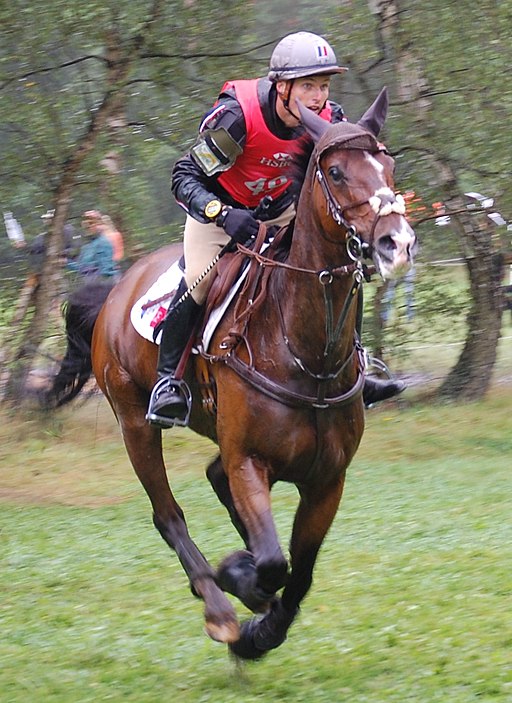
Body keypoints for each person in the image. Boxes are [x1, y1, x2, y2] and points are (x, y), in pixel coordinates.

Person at [147, 31, 405, 427]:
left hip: (281, 212)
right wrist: (221, 213)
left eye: (323, 85)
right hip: (220, 215)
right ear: (282, 87)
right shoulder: (237, 118)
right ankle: (169, 383)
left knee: (341, 268)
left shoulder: (330, 121)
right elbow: (184, 176)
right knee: (200, 280)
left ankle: (357, 368)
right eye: (308, 86)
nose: (319, 96)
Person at [67, 210, 119, 280]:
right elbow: (82, 267)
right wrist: (66, 263)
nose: (87, 228)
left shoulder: (103, 243)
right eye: (85, 227)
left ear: (99, 225)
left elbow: (107, 272)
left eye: (91, 223)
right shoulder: (87, 246)